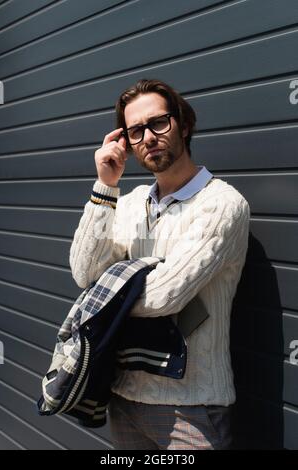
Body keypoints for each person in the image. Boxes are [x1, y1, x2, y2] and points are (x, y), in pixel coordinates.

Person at [69, 79, 250, 450]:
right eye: (136, 130)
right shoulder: (131, 202)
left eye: (158, 123)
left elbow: (166, 296)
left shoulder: (221, 205)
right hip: (124, 396)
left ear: (183, 124)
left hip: (191, 406)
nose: (148, 137)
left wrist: (105, 293)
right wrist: (105, 187)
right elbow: (85, 272)